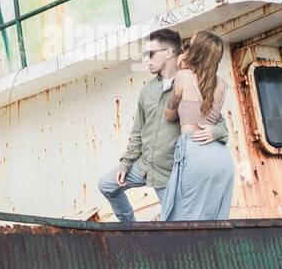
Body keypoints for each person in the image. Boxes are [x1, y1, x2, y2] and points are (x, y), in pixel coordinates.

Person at [97, 28, 229, 222]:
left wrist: (216, 132)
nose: (146, 60)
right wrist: (126, 163)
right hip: (143, 165)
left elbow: (218, 122)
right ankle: (130, 228)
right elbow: (137, 131)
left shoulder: (192, 83)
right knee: (106, 185)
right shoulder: (147, 90)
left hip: (169, 175)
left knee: (176, 224)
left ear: (168, 53)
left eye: (150, 54)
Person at [160, 31, 235, 221]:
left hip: (194, 150)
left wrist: (177, 72)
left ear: (196, 52)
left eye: (190, 45)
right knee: (213, 219)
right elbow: (213, 117)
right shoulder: (222, 85)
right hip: (221, 156)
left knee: (183, 217)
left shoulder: (183, 76)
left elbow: (169, 115)